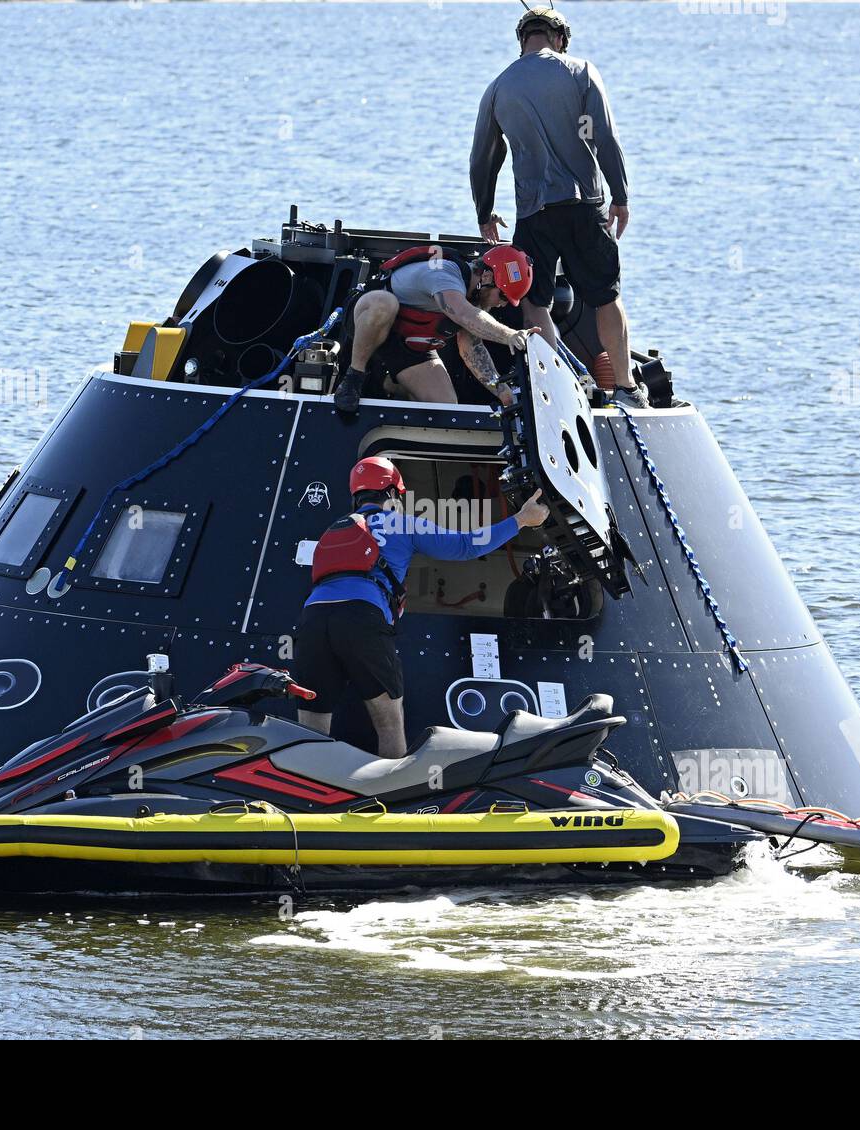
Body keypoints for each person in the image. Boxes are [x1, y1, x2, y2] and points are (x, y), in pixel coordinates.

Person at [294, 456, 549, 757]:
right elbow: (467, 544)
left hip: (311, 620)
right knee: (389, 722)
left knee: (311, 723)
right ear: (391, 493)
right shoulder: (401, 524)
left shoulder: (332, 530)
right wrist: (521, 519)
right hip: (361, 617)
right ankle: (390, 798)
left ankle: (304, 794)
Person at [469, 4, 649, 409]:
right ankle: (625, 388)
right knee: (606, 297)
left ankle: (565, 389)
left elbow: (483, 159)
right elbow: (603, 136)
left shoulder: (499, 87)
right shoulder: (581, 71)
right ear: (561, 38)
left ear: (522, 41)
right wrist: (620, 195)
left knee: (535, 302)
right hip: (586, 206)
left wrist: (485, 211)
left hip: (535, 214)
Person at [333, 244, 539, 414]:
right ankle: (354, 376)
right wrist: (510, 335)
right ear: (486, 278)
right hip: (367, 319)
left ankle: (385, 380)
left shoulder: (476, 301)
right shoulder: (445, 274)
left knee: (446, 407)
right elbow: (464, 315)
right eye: (502, 296)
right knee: (384, 304)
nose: (502, 305)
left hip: (406, 341)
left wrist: (503, 392)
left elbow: (472, 349)